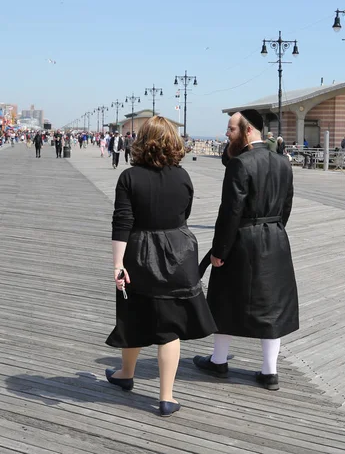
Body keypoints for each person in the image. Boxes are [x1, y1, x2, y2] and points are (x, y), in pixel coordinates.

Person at [105, 116, 217, 417]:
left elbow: (122, 222)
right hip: (179, 252)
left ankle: (125, 375)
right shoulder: (183, 177)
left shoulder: (129, 178)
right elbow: (185, 213)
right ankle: (166, 397)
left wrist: (118, 264)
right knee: (169, 326)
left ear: (142, 141)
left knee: (134, 315)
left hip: (140, 252)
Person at [193, 109, 298, 392]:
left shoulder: (241, 164)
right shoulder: (283, 163)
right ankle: (269, 371)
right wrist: (273, 230)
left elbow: (230, 212)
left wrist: (219, 250)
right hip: (275, 237)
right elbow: (286, 206)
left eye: (231, 129)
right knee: (272, 305)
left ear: (248, 130)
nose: (227, 134)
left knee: (224, 297)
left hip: (243, 239)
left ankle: (218, 361)